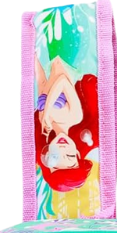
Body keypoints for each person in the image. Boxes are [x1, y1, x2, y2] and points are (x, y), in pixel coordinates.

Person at [34, 56, 99, 192]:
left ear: (47, 156)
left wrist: (33, 58)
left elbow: (42, 82)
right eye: (69, 156)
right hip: (69, 57)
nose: (63, 148)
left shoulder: (43, 120)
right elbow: (63, 80)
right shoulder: (75, 117)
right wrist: (46, 112)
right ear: (77, 154)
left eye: (55, 158)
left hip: (47, 57)